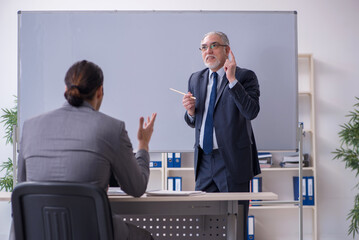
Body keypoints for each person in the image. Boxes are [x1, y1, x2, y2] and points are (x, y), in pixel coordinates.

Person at [16, 60, 157, 240]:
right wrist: (143, 145)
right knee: (145, 236)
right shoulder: (112, 128)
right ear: (100, 92)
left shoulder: (29, 127)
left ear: (65, 90)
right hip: (93, 233)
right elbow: (136, 188)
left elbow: (22, 187)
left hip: (40, 232)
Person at [182, 31, 261, 238]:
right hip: (204, 161)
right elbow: (195, 121)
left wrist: (232, 80)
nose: (208, 51)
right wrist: (190, 112)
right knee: (205, 227)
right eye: (204, 47)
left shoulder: (245, 76)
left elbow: (251, 111)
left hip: (232, 162)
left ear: (227, 50)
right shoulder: (195, 79)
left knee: (236, 226)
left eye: (214, 45)